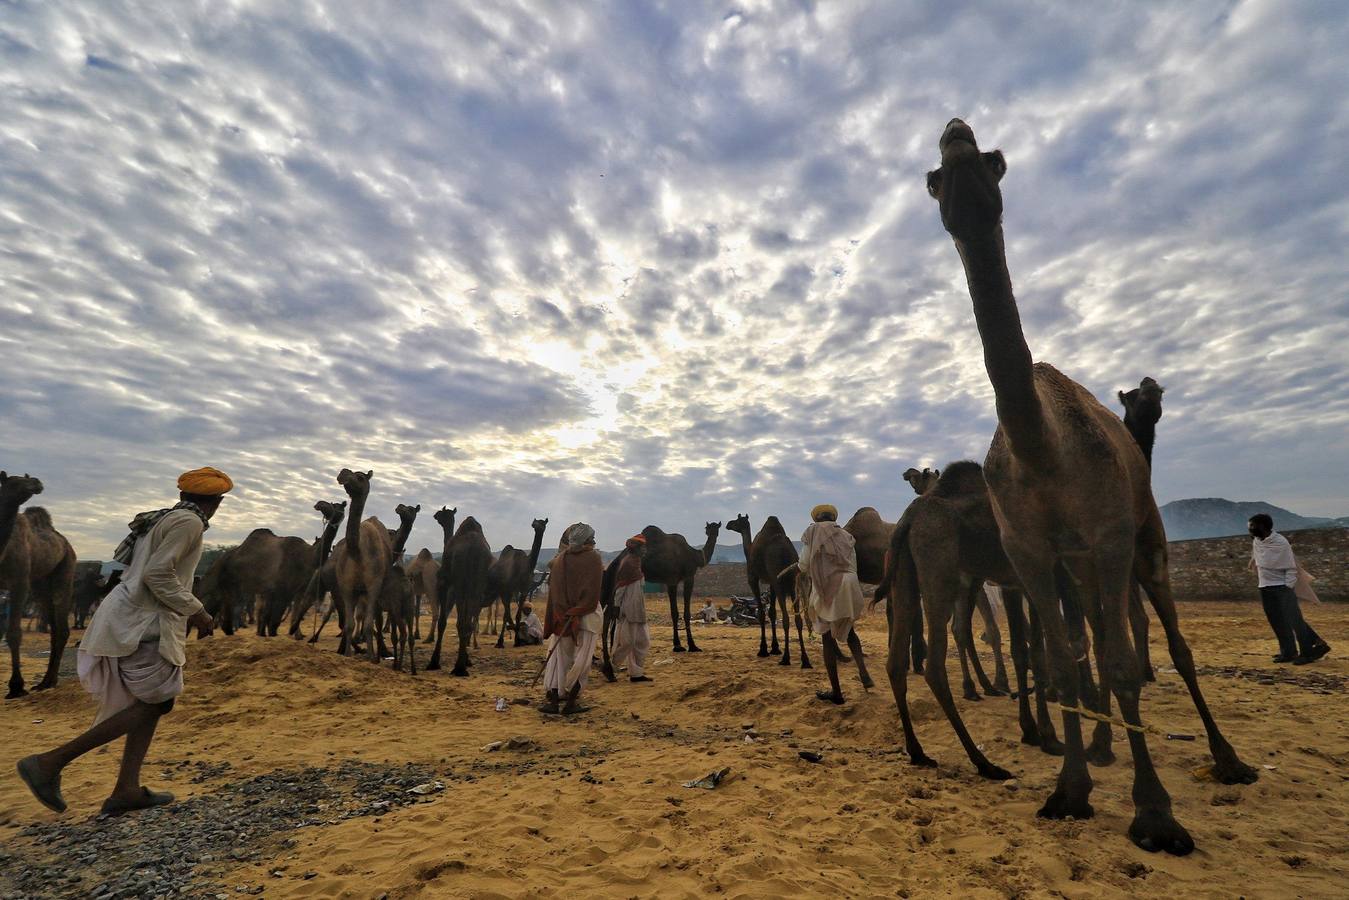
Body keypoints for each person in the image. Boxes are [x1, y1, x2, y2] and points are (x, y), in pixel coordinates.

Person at [16, 467, 231, 816]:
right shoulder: (188, 524)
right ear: (217, 503)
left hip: (134, 614)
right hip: (145, 621)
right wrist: (198, 611)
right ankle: (49, 763)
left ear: (183, 496)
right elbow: (157, 574)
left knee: (153, 701)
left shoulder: (163, 519)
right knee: (156, 703)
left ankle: (126, 790)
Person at [799, 504, 872, 704]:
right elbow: (853, 565)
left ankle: (836, 692)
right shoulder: (846, 536)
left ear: (816, 519)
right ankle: (863, 672)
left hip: (829, 585)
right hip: (850, 583)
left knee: (827, 639)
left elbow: (804, 564)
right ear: (833, 518)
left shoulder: (812, 532)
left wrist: (802, 568)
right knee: (850, 630)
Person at [1249, 514, 1330, 665]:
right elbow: (1258, 559)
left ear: (1263, 526)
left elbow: (1291, 567)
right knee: (1277, 621)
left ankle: (1308, 652)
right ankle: (1288, 652)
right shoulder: (1257, 541)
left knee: (1295, 621)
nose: (1250, 529)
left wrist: (1287, 587)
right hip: (1265, 587)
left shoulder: (1280, 542)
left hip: (1282, 587)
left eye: (1252, 526)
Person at [541, 523, 603, 715]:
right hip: (587, 615)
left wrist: (564, 611)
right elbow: (593, 591)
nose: (594, 541)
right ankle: (570, 703)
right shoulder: (594, 558)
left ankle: (553, 701)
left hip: (562, 615)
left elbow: (554, 590)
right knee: (581, 661)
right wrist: (578, 608)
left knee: (558, 659)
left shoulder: (559, 560)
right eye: (592, 538)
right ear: (586, 540)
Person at [611, 536, 652, 683]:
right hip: (628, 609)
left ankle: (636, 674)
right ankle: (611, 665)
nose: (645, 550)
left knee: (643, 642)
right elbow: (621, 588)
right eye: (643, 547)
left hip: (639, 610)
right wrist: (616, 606)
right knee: (627, 642)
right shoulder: (628, 564)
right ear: (636, 549)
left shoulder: (636, 563)